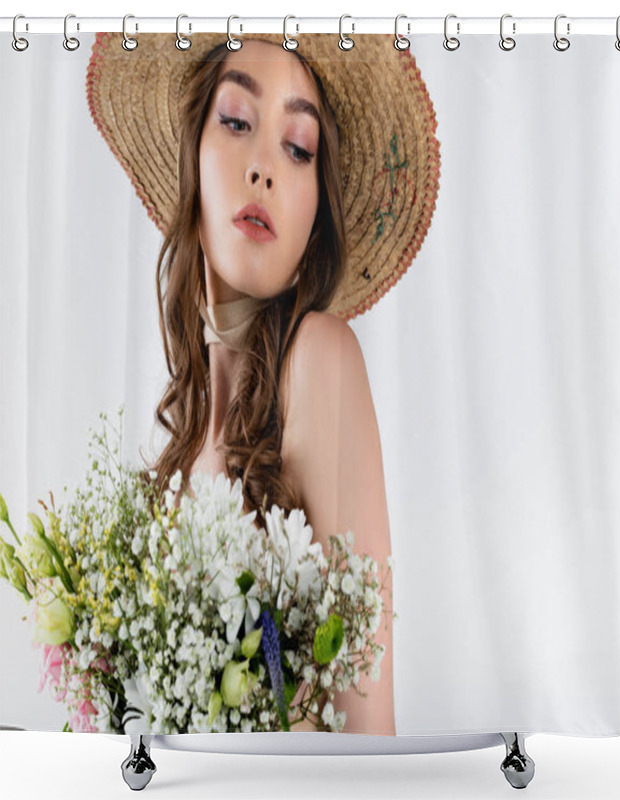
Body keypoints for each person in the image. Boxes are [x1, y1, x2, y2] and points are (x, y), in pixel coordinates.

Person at [86, 31, 441, 736]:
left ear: (316, 219)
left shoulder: (321, 361)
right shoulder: (181, 447)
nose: (264, 171)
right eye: (238, 122)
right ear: (193, 154)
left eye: (299, 147)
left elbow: (367, 730)